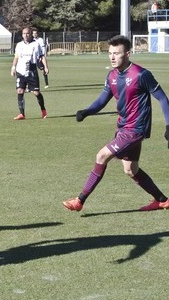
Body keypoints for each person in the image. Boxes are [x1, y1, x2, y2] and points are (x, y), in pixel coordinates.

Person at [63, 35, 169, 212]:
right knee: (130, 169)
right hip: (123, 127)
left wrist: (168, 125)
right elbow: (102, 100)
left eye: (116, 53)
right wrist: (87, 111)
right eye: (110, 53)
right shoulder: (111, 75)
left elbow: (163, 99)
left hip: (135, 129)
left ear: (127, 53)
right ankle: (162, 200)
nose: (112, 57)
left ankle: (79, 200)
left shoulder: (141, 74)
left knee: (101, 156)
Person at [10, 27, 49, 120]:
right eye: (24, 33)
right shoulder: (19, 45)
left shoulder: (36, 44)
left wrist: (46, 67)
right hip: (20, 71)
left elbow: (41, 56)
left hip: (32, 71)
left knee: (36, 92)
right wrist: (13, 67)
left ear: (31, 34)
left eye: (27, 33)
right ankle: (22, 114)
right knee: (20, 91)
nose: (25, 35)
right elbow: (16, 57)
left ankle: (43, 110)